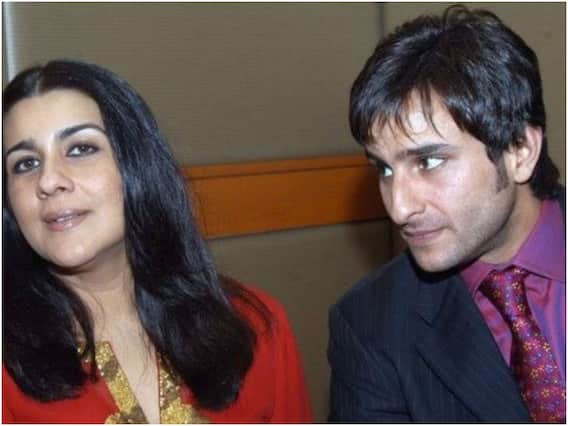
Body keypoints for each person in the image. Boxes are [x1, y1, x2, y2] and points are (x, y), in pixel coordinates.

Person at [2, 59, 312, 423]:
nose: (49, 180)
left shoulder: (252, 325)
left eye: (80, 149)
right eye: (25, 164)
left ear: (137, 165)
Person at [328, 5, 565, 423]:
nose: (399, 208)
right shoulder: (369, 326)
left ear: (520, 150)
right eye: (384, 169)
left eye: (429, 162)